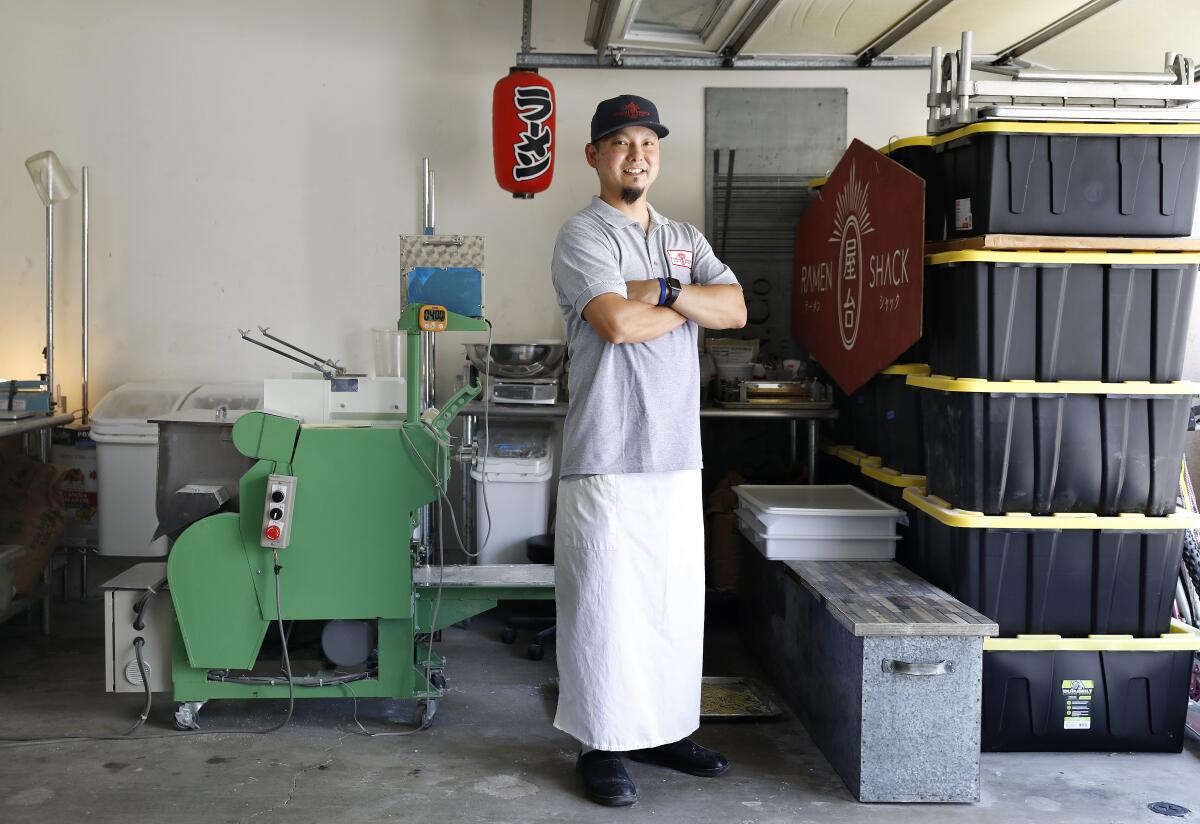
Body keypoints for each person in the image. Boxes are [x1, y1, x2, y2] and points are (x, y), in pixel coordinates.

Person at [549, 94, 747, 807]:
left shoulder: (683, 236)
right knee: (605, 603)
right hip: (607, 451)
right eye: (621, 143)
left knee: (669, 604)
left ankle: (663, 729)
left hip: (674, 450)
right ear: (595, 156)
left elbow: (735, 308)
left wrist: (662, 287)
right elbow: (618, 325)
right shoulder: (584, 235)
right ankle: (601, 743)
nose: (637, 155)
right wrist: (687, 300)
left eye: (647, 144)